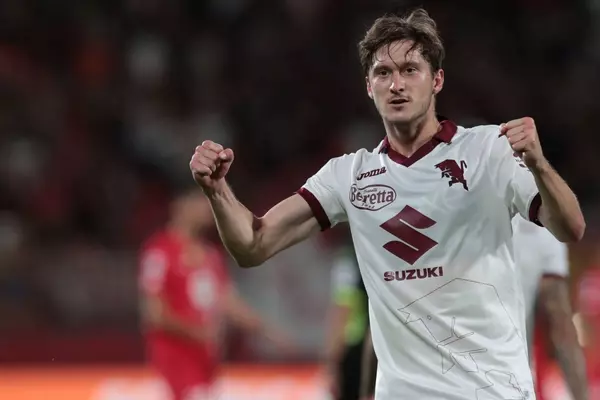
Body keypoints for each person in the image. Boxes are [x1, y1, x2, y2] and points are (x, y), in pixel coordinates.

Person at [188, 8, 585, 400]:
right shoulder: (348, 175)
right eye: (383, 73)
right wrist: (218, 191)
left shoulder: (488, 150)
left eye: (410, 70)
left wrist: (539, 165)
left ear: (437, 80)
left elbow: (570, 227)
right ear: (368, 86)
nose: (397, 84)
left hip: (491, 392)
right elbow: (253, 245)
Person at [359, 216, 588, 400]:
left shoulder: (442, 210)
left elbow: (393, 309)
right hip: (501, 384)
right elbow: (560, 324)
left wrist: (368, 391)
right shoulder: (544, 227)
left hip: (427, 381)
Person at [138, 187, 289, 400]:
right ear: (180, 206)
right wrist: (198, 332)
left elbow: (227, 301)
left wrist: (267, 330)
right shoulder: (160, 252)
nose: (207, 208)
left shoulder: (211, 254)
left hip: (207, 362)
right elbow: (154, 313)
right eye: (200, 201)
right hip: (177, 361)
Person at [512, 216, 587, 400]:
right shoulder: (545, 228)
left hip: (458, 366)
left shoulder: (545, 229)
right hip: (506, 376)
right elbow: (561, 324)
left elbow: (560, 322)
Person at [323, 241, 376, 400]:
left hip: (354, 350)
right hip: (380, 348)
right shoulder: (379, 259)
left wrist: (331, 360)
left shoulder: (348, 262)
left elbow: (342, 311)